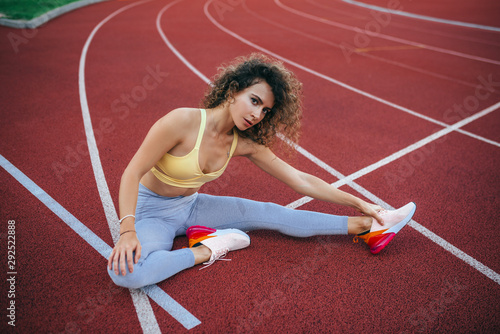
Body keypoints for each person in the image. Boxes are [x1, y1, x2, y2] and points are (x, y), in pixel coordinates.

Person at [107, 54, 416, 289]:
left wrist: (358, 202)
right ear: (232, 91)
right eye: (253, 101)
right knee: (127, 273)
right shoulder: (181, 122)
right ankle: (209, 248)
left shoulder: (242, 143)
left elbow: (300, 180)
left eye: (265, 110)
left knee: (275, 213)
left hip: (192, 207)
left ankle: (369, 226)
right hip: (151, 213)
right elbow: (131, 173)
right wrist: (127, 231)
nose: (257, 114)